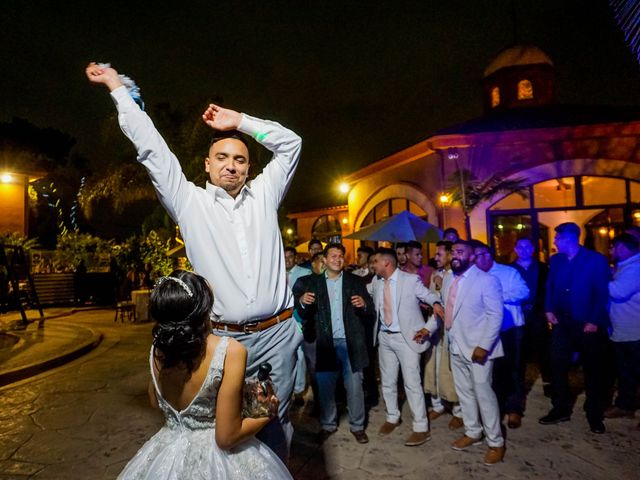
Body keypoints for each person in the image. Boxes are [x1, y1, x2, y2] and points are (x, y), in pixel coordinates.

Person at [86, 62, 302, 460]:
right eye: (222, 156)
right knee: (227, 431)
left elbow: (291, 143)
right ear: (207, 164)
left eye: (239, 159)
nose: (231, 165)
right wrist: (117, 88)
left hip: (277, 336)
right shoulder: (189, 202)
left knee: (274, 420)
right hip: (222, 341)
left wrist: (239, 121)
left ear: (249, 168)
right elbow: (151, 148)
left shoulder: (266, 194)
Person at [117, 271, 291, 479]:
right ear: (203, 307)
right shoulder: (229, 350)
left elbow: (156, 401)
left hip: (168, 451)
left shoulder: (158, 348)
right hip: (216, 461)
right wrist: (267, 413)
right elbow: (226, 438)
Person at [296, 243, 374, 444]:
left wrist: (364, 305)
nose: (337, 259)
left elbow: (370, 310)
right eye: (333, 256)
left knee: (355, 386)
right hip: (325, 343)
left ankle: (357, 426)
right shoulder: (312, 283)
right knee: (326, 388)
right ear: (324, 259)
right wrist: (303, 301)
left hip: (351, 342)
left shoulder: (355, 281)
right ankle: (328, 425)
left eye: (341, 256)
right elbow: (303, 313)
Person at [539, 222, 610, 434]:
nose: (554, 241)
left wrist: (595, 320)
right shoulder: (556, 259)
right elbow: (550, 286)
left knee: (593, 370)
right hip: (562, 322)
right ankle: (560, 409)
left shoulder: (596, 260)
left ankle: (594, 414)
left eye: (556, 238)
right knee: (558, 365)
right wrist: (548, 308)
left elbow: (602, 293)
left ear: (568, 238)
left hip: (587, 322)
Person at [370, 248, 444, 447]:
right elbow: (366, 295)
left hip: (407, 339)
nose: (372, 265)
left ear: (386, 263)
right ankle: (392, 416)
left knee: (412, 383)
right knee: (387, 381)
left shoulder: (410, 281)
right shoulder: (376, 282)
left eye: (375, 261)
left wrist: (436, 303)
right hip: (384, 338)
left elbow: (430, 297)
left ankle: (421, 427)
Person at [446, 240, 505, 466]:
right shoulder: (450, 279)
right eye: (453, 251)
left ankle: (496, 442)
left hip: (478, 349)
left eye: (460, 252)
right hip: (455, 345)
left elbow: (495, 316)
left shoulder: (487, 280)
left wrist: (484, 346)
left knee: (484, 395)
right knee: (465, 393)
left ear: (472, 257)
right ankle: (473, 432)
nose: (455, 255)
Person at [473, 241, 529, 429]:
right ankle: (496, 408)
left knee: (513, 369)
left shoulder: (508, 272)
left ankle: (514, 409)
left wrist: (496, 296)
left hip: (511, 329)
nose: (476, 259)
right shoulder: (474, 276)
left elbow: (524, 291)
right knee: (493, 371)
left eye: (479, 255)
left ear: (488, 255)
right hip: (487, 331)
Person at [424, 241, 464, 430]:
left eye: (440, 254)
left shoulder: (457, 276)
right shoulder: (435, 275)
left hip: (451, 330)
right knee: (434, 366)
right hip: (436, 328)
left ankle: (459, 411)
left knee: (451, 370)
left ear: (450, 256)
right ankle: (437, 404)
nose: (436, 258)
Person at [605, 233, 640, 422]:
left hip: (635, 330)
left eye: (613, 247)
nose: (611, 251)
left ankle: (627, 405)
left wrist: (599, 279)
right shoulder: (626, 267)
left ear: (623, 248)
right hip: (624, 330)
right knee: (626, 373)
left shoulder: (635, 268)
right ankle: (625, 405)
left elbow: (618, 292)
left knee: (634, 371)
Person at [511, 237, 550, 388]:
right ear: (515, 249)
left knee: (543, 348)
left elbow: (548, 290)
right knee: (518, 350)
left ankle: (548, 381)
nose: (524, 250)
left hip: (538, 313)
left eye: (527, 247)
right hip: (518, 315)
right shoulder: (510, 269)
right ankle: (518, 383)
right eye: (520, 247)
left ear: (533, 249)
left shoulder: (543, 268)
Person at [285, 247, 312, 405]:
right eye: (285, 257)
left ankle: (299, 390)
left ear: (295, 258)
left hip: (298, 318)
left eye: (290, 257)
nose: (287, 260)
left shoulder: (304, 273)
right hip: (282, 320)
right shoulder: (277, 273)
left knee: (300, 355)